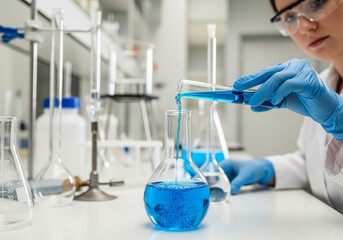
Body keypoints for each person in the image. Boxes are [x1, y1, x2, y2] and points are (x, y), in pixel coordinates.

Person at [219, 0, 343, 214]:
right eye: (289, 17)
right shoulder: (321, 84)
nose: (304, 26)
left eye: (316, 3)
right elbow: (315, 165)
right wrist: (268, 169)